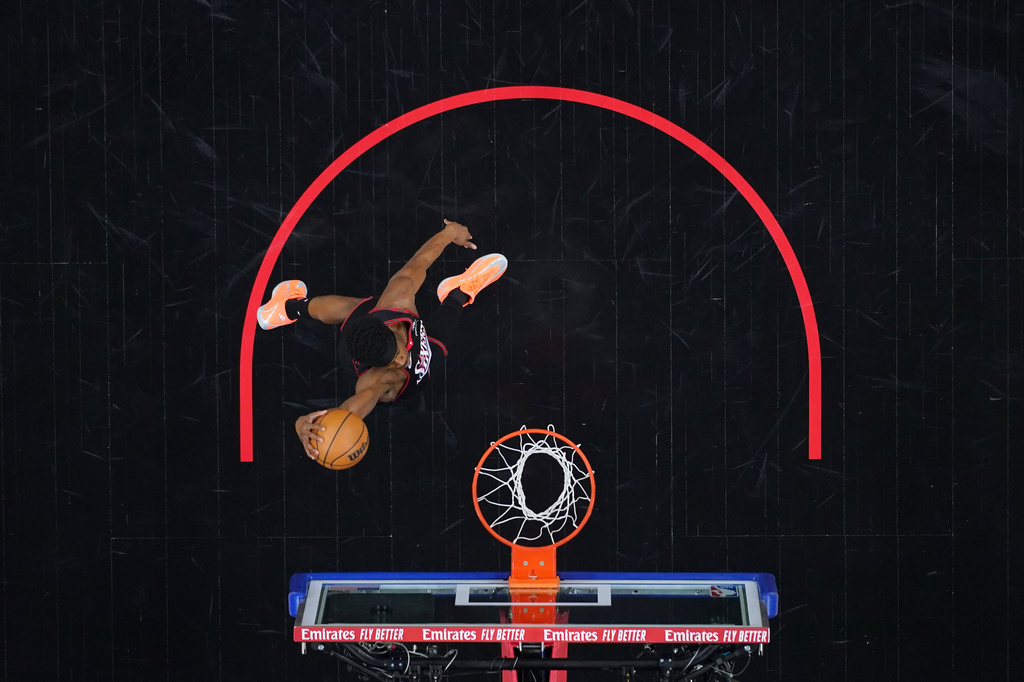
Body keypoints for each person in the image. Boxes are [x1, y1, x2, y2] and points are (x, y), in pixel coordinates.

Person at [257, 219, 507, 460]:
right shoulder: (381, 379)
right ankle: (287, 309)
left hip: (385, 326)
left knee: (357, 307)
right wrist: (306, 424)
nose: (401, 360)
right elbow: (351, 410)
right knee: (440, 335)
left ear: (389, 330)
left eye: (397, 352)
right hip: (417, 373)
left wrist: (450, 232)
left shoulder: (397, 298)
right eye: (393, 361)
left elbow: (419, 261)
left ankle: (284, 306)